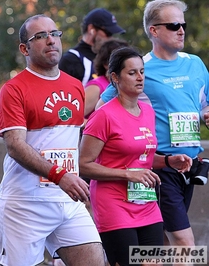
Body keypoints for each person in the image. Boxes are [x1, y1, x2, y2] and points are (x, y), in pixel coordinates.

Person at [98, 0, 209, 259]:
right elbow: (105, 107)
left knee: (159, 241)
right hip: (157, 164)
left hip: (189, 163)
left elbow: (206, 104)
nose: (181, 30)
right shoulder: (139, 67)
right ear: (154, 30)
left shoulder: (195, 64)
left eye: (183, 24)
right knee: (184, 240)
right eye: (173, 25)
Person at [0, 14, 105, 266]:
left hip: (67, 200)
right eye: (40, 36)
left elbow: (72, 139)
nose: (51, 41)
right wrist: (60, 175)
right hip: (25, 203)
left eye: (54, 34)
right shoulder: (13, 89)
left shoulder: (75, 85)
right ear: (25, 48)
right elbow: (15, 146)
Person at [79, 46, 192, 266]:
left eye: (142, 72)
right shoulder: (103, 116)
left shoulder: (148, 111)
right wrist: (128, 175)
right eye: (132, 73)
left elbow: (143, 160)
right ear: (115, 78)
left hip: (146, 203)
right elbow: (83, 166)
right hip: (114, 205)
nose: (140, 78)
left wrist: (169, 161)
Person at [59, 8, 125, 87]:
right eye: (108, 32)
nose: (110, 38)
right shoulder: (70, 60)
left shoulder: (110, 58)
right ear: (91, 29)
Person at [84, 39, 129, 118]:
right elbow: (75, 117)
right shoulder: (96, 87)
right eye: (121, 61)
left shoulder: (123, 85)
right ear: (106, 64)